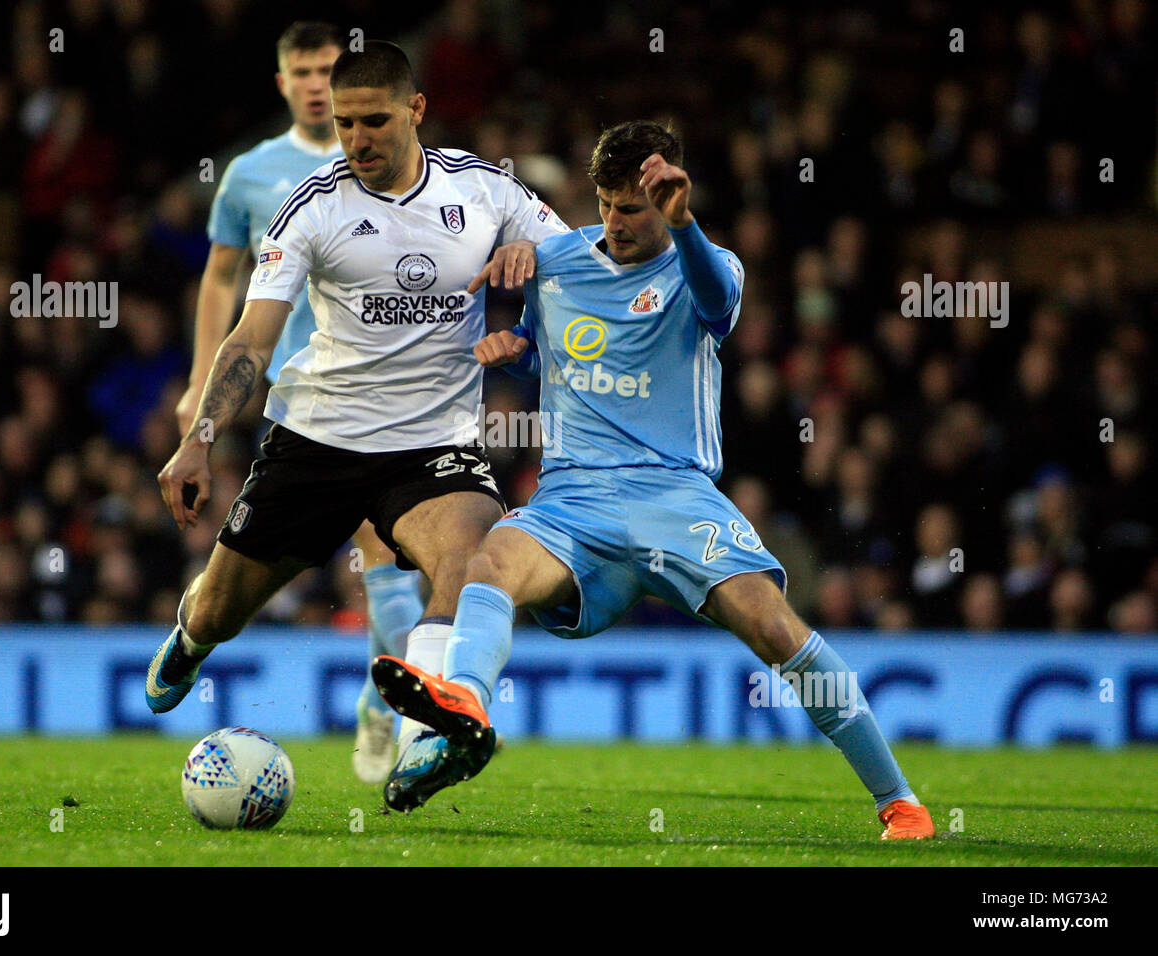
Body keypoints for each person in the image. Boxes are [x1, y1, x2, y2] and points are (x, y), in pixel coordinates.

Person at [370, 121, 935, 840]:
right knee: (489, 561)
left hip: (675, 496)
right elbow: (560, 357)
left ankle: (900, 801)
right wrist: (519, 354)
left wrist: (685, 224)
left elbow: (715, 303)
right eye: (606, 203)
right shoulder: (556, 263)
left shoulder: (711, 265)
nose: (615, 221)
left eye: (632, 207)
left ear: (667, 198)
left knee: (773, 626)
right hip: (573, 502)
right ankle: (467, 710)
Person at [147, 42, 569, 787]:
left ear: (416, 110)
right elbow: (251, 339)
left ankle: (424, 742)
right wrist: (198, 440)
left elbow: (581, 265)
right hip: (315, 441)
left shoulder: (486, 192)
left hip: (433, 446)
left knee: (471, 567)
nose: (358, 140)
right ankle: (189, 636)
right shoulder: (313, 205)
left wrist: (534, 264)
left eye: (374, 121)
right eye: (344, 124)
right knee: (218, 613)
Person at [172, 22, 420, 783]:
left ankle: (393, 711)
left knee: (389, 555)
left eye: (326, 70)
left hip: (375, 397)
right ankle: (195, 629)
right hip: (284, 395)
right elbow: (220, 278)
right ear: (282, 84)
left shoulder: (394, 168)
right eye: (303, 72)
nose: (316, 83)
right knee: (244, 568)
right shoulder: (252, 174)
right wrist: (198, 387)